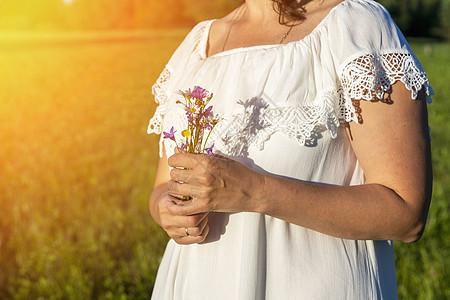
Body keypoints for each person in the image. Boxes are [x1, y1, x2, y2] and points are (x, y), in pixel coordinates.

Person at [147, 0, 433, 298]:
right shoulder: (196, 46)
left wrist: (255, 191)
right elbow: (161, 188)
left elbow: (405, 214)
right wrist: (166, 209)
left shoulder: (355, 26)